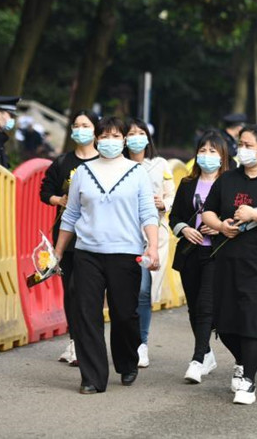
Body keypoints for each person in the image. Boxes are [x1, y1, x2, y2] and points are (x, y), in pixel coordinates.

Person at [54, 116, 159, 394]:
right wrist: (57, 252)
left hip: (125, 253)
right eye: (104, 136)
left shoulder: (136, 172)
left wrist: (152, 246)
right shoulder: (83, 173)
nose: (109, 141)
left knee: (124, 314)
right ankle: (92, 378)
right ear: (96, 139)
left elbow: (148, 213)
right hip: (87, 252)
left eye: (115, 136)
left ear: (124, 140)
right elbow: (71, 214)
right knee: (86, 314)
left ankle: (127, 362)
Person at [201, 125, 257, 405]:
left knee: (253, 321)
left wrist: (255, 215)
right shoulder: (228, 179)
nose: (243, 149)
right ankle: (242, 360)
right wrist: (220, 225)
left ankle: (249, 380)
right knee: (225, 323)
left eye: (249, 145)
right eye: (241, 144)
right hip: (227, 259)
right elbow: (208, 211)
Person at [39, 110, 100, 366]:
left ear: (96, 130)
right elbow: (45, 192)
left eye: (85, 125)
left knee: (87, 292)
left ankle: (88, 342)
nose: (80, 130)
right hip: (67, 235)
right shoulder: (63, 162)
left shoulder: (105, 162)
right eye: (76, 125)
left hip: (96, 237)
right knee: (70, 290)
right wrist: (60, 200)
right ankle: (75, 341)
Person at [170, 131, 230, 384]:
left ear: (223, 156)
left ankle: (196, 360)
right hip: (191, 252)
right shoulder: (186, 184)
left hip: (216, 252)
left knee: (206, 305)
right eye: (203, 151)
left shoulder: (229, 182)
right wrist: (184, 228)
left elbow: (237, 217)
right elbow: (174, 217)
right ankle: (206, 354)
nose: (207, 156)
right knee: (194, 307)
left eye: (213, 151)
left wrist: (218, 226)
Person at [124, 118, 176, 368]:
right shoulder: (118, 166)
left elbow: (171, 194)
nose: (135, 137)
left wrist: (163, 203)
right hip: (123, 235)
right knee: (125, 293)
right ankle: (126, 340)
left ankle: (141, 343)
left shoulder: (160, 165)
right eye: (131, 133)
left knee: (145, 292)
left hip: (153, 235)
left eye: (140, 132)